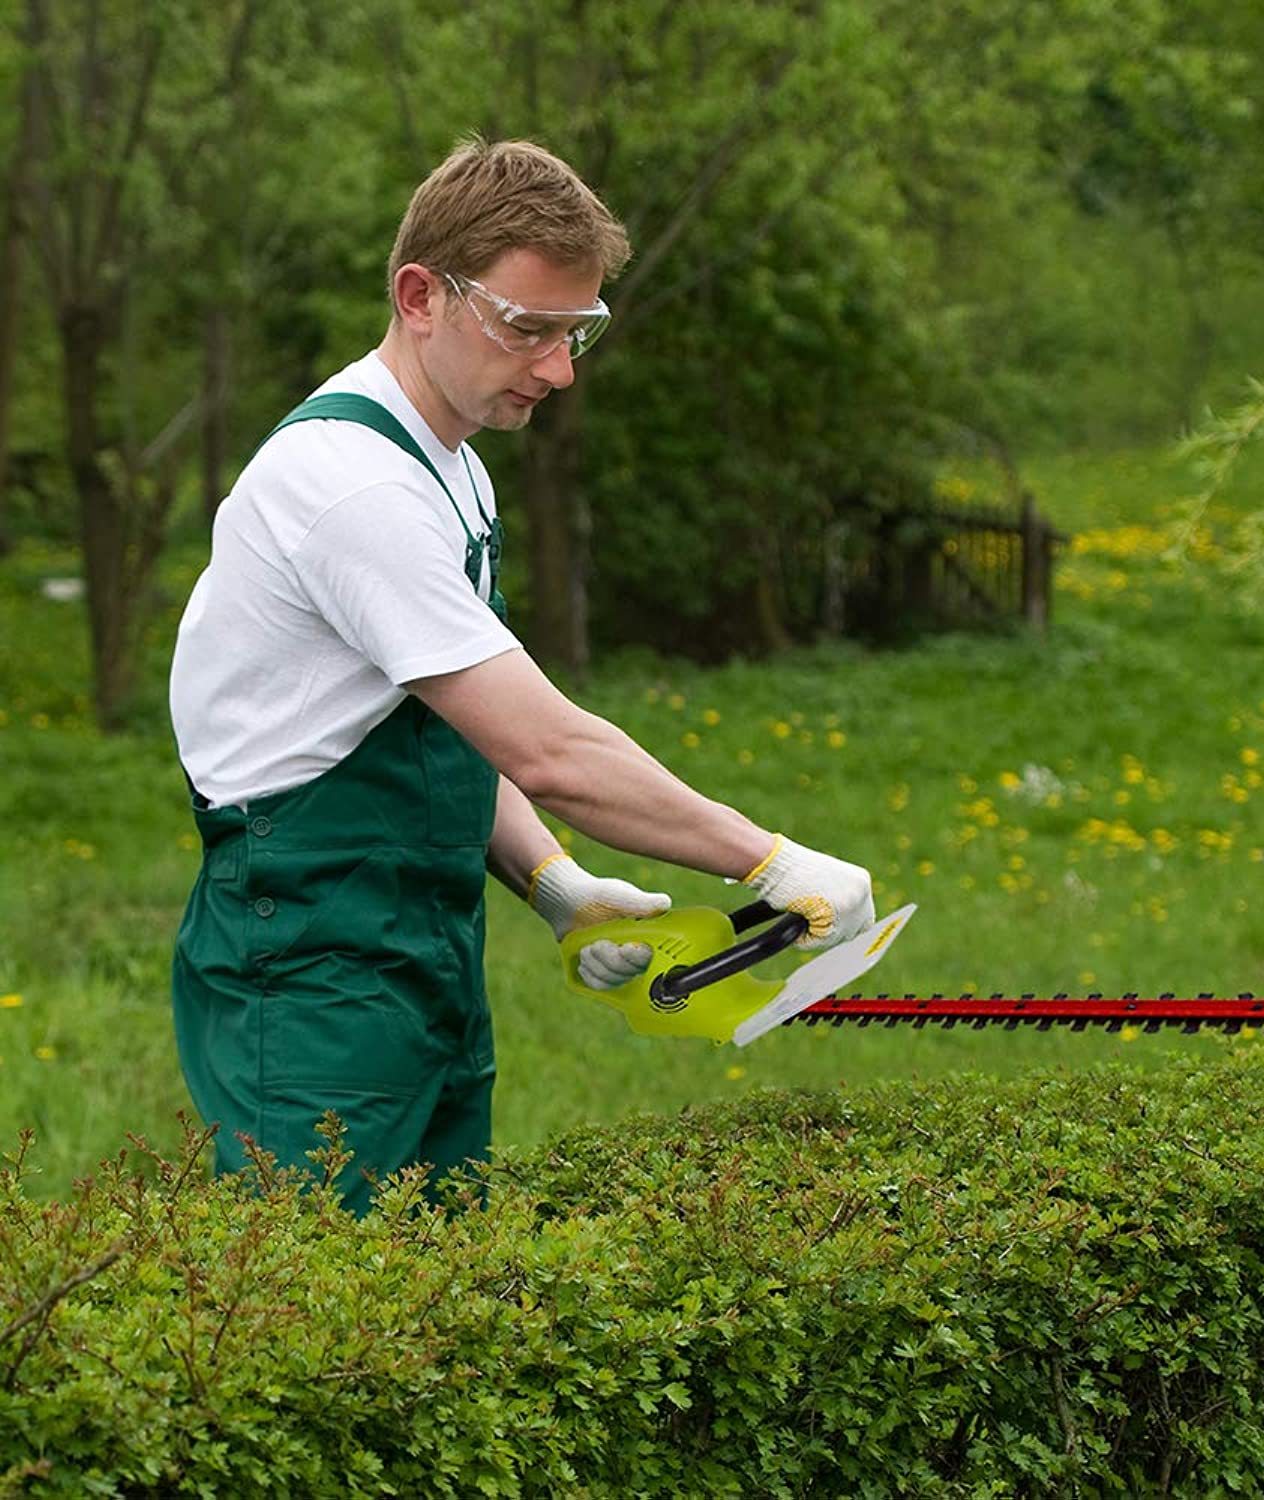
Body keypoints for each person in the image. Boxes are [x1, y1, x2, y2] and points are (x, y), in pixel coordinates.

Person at [169, 138, 874, 1215]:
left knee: (439, 1293)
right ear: (421, 297)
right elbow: (551, 749)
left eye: (577, 332)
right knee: (312, 1313)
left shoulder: (452, 465)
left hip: (420, 947)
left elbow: (450, 727)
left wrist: (555, 886)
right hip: (309, 957)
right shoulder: (353, 488)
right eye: (530, 330)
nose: (559, 371)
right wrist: (766, 860)